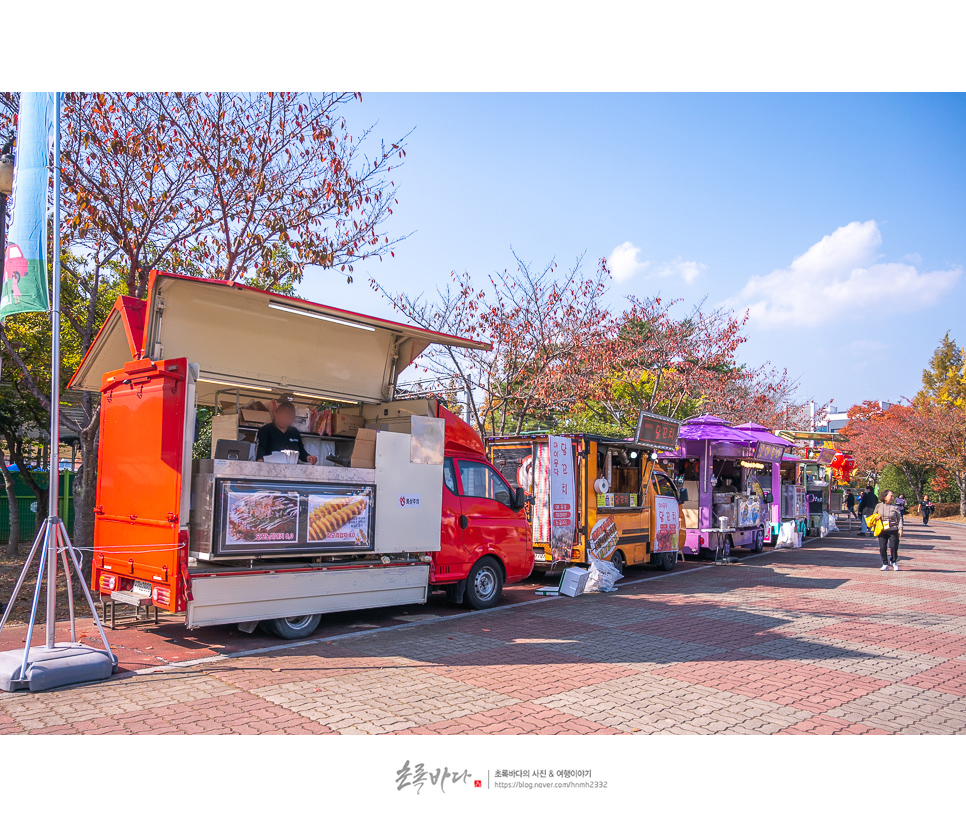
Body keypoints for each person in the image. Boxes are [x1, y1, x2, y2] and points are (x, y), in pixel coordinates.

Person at [873, 489, 904, 571]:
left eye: (892, 496)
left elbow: (899, 518)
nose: (892, 497)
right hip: (882, 530)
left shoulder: (895, 507)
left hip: (893, 529)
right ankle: (885, 563)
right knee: (882, 547)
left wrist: (900, 529)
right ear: (885, 496)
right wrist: (876, 517)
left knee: (894, 547)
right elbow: (873, 515)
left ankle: (894, 562)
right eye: (890, 495)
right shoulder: (878, 506)